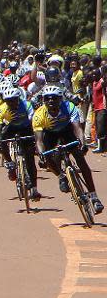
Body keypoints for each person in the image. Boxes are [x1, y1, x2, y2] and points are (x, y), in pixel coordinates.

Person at [34, 85, 103, 213]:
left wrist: (83, 143)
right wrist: (42, 154)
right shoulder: (38, 115)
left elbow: (77, 128)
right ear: (43, 100)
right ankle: (61, 176)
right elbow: (39, 140)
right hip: (50, 134)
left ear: (60, 99)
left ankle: (94, 197)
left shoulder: (69, 107)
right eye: (47, 98)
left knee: (81, 161)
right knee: (47, 157)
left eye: (54, 98)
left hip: (67, 131)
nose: (51, 101)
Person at [0, 84, 40, 200]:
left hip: (26, 128)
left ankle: (34, 188)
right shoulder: (2, 109)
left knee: (30, 159)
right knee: (2, 141)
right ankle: (10, 164)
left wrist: (35, 139)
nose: (12, 104)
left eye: (14, 101)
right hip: (10, 128)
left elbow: (33, 123)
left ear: (18, 99)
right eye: (8, 101)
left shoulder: (27, 105)